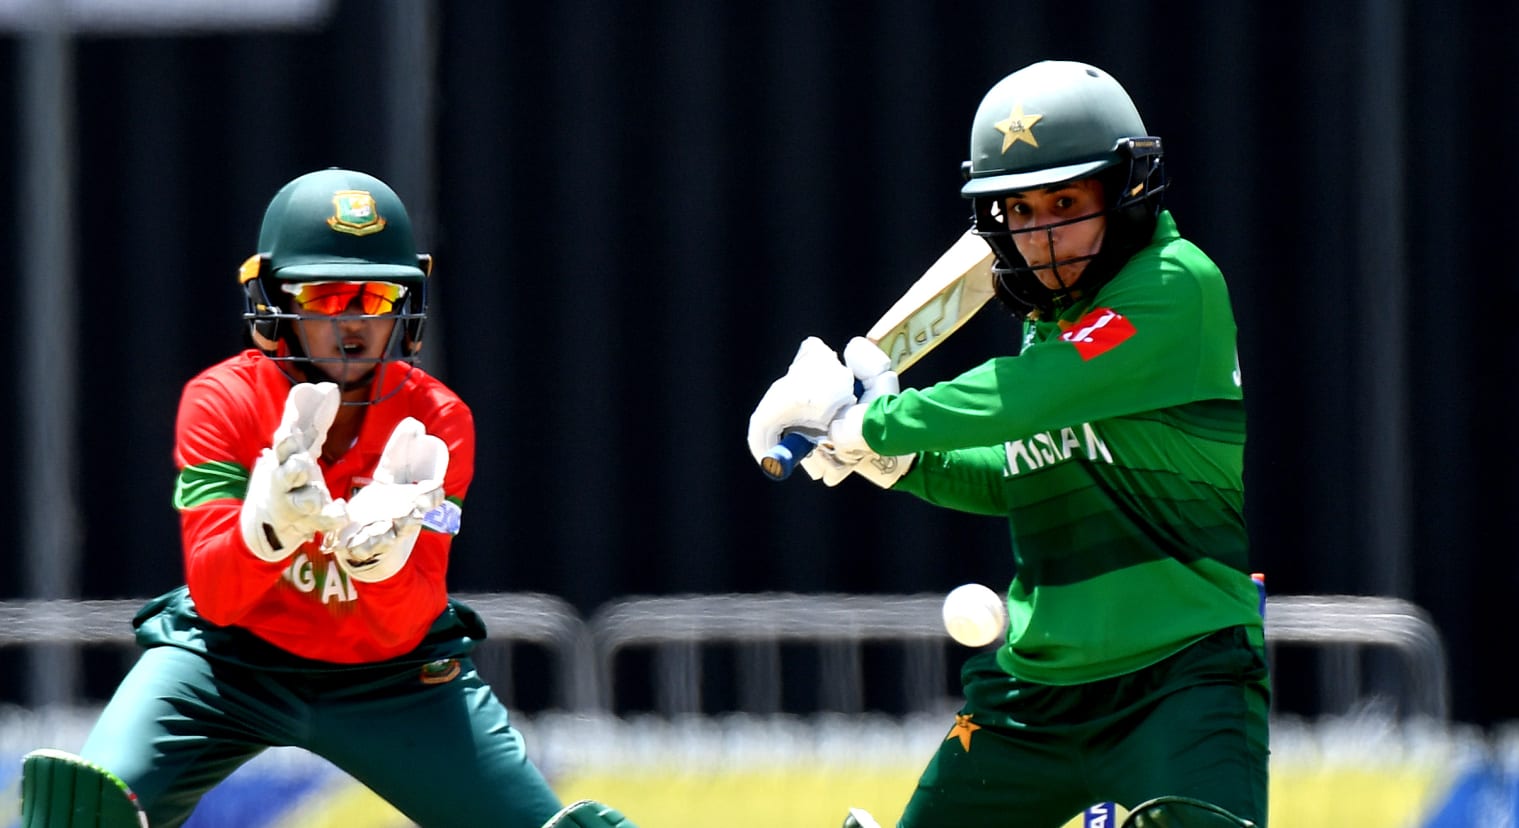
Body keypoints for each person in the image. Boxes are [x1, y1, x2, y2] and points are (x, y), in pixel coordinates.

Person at [18, 168, 632, 828]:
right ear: (275, 300)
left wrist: (383, 564)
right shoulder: (221, 400)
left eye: (375, 297)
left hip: (392, 680)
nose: (353, 322)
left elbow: (407, 619)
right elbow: (218, 595)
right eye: (328, 293)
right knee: (83, 813)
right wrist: (267, 527)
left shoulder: (437, 421)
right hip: (227, 663)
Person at [748, 61, 1267, 828]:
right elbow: (1024, 472)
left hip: (1182, 679)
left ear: (1125, 188)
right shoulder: (1045, 324)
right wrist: (898, 463)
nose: (1044, 234)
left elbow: (1026, 395)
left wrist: (864, 421)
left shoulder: (1177, 285)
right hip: (1033, 697)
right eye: (1020, 211)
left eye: (1065, 201)